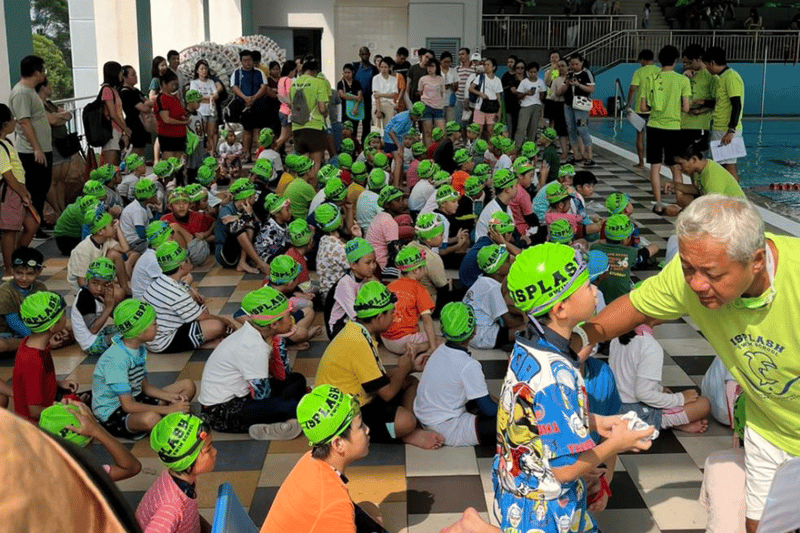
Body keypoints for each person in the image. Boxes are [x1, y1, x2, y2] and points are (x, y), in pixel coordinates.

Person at [581, 195, 800, 533]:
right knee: (761, 526)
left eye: (712, 274)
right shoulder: (689, 277)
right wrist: (569, 346)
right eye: (687, 268)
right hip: (769, 428)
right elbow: (635, 307)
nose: (696, 284)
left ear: (756, 260)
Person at [494, 243, 654, 532]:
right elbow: (565, 470)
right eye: (587, 285)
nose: (594, 291)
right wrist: (615, 444)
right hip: (543, 511)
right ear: (561, 308)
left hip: (519, 486)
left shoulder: (527, 347)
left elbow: (536, 418)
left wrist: (597, 421)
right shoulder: (556, 375)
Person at [316, 281, 445, 449]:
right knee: (406, 421)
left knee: (411, 381)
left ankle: (406, 428)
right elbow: (387, 394)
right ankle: (406, 432)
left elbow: (375, 376)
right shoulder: (358, 342)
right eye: (392, 313)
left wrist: (410, 367)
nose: (394, 317)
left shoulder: (358, 330)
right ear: (379, 317)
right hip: (342, 413)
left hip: (358, 393)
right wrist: (403, 368)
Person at [261, 384, 387, 533]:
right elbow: (331, 504)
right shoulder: (334, 503)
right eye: (360, 426)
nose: (367, 430)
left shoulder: (309, 459)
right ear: (338, 444)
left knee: (372, 514)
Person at [199, 286, 306, 440]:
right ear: (273, 324)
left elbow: (284, 375)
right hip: (221, 412)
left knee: (297, 380)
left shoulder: (256, 332)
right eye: (288, 315)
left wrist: (279, 340)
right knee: (290, 406)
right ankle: (275, 423)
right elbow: (262, 396)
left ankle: (280, 421)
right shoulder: (254, 347)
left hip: (244, 395)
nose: (292, 320)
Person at [91, 298, 196, 438]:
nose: (157, 326)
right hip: (113, 412)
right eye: (154, 324)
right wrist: (167, 409)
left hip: (135, 397)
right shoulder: (116, 360)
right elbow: (127, 406)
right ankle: (166, 418)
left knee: (188, 386)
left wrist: (171, 397)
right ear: (139, 332)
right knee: (151, 419)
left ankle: (168, 416)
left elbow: (145, 388)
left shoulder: (138, 349)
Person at [415, 301, 497, 447]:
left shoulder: (440, 350)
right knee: (507, 422)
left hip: (425, 415)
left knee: (484, 397)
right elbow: (489, 410)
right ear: (474, 331)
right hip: (446, 428)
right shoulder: (469, 366)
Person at [610, 322, 711, 433]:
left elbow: (627, 378)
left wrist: (659, 389)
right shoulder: (650, 345)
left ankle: (670, 421)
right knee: (703, 404)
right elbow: (642, 393)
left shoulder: (618, 335)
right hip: (635, 412)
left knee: (664, 393)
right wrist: (680, 398)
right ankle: (663, 423)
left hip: (614, 406)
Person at [144, 241, 235, 353]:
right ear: (182, 265)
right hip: (163, 342)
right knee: (217, 326)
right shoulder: (176, 292)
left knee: (201, 308)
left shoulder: (161, 281)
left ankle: (203, 341)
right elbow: (203, 317)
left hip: (154, 337)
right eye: (187, 259)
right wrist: (226, 321)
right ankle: (202, 344)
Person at [136, 413, 216, 533]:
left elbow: (189, 513)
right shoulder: (171, 507)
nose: (215, 452)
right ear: (188, 459)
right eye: (208, 450)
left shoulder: (176, 479)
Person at [640, 45, 691, 215]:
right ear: (675, 60)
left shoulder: (650, 79)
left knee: (655, 166)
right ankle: (680, 202)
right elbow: (685, 108)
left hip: (654, 126)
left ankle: (658, 202)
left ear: (659, 60)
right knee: (675, 167)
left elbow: (643, 107)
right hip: (674, 128)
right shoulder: (683, 80)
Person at [39, 400, 142, 482]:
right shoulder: (84, 475)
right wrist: (97, 430)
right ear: (90, 441)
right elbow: (132, 467)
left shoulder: (32, 472)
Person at [13, 291, 77, 421]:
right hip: (36, 424)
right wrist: (63, 409)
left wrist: (57, 383)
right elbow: (35, 411)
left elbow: (34, 382)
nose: (66, 315)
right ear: (53, 327)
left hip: (47, 402)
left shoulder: (31, 343)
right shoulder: (33, 361)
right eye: (63, 314)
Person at [9, 55, 51, 230]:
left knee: (42, 188)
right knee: (35, 189)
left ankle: (38, 222)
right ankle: (32, 226)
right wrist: (37, 149)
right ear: (36, 72)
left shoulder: (31, 90)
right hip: (30, 151)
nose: (44, 74)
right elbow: (24, 122)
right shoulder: (20, 92)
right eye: (43, 70)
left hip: (41, 148)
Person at [0, 105, 38, 277]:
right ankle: (9, 268)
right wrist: (22, 193)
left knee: (32, 224)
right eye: (12, 120)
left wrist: (23, 191)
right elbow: (8, 175)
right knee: (10, 230)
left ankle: (16, 257)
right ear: (5, 123)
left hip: (17, 190)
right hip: (9, 192)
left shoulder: (6, 142)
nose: (15, 122)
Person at [380, 246, 438, 357]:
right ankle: (417, 347)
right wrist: (433, 346)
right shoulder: (419, 288)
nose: (425, 270)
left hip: (386, 340)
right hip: (404, 342)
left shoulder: (391, 286)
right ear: (416, 270)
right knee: (440, 340)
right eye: (423, 267)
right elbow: (427, 320)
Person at [704, 46, 744, 181]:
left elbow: (736, 104)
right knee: (722, 165)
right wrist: (703, 103)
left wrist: (731, 130)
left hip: (726, 130)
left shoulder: (731, 77)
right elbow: (722, 103)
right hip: (720, 127)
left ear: (712, 63)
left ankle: (737, 198)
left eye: (707, 65)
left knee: (729, 166)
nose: (706, 68)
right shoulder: (723, 77)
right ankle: (728, 196)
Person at [0, 247, 47, 354]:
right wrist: (35, 337)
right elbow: (14, 322)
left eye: (30, 274)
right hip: (7, 333)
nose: (23, 278)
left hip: (32, 330)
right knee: (2, 345)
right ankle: (31, 343)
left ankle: (33, 342)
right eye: (19, 273)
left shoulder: (40, 287)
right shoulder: (5, 291)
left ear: (39, 272)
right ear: (11, 269)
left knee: (67, 325)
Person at [71, 257, 121, 357]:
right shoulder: (85, 297)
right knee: (129, 335)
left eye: (105, 285)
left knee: (127, 326)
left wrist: (110, 304)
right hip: (91, 344)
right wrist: (108, 308)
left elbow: (115, 316)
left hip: (99, 333)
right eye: (95, 283)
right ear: (87, 280)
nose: (99, 288)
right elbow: (93, 329)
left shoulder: (96, 294)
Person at [37, 77, 72, 217]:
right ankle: (56, 211)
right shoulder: (38, 104)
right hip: (51, 143)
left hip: (63, 143)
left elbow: (68, 115)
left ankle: (63, 209)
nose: (51, 87)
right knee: (53, 180)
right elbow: (51, 121)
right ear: (42, 87)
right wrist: (59, 117)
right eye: (49, 85)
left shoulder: (50, 103)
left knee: (62, 179)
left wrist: (58, 116)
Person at [672, 141, 746, 208]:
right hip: (723, 206)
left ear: (693, 160)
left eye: (681, 164)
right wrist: (675, 186)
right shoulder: (699, 170)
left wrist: (681, 213)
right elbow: (698, 189)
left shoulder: (712, 175)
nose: (679, 168)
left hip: (736, 212)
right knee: (684, 199)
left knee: (693, 208)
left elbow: (714, 206)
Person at [290, 60, 329, 178]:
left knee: (303, 162)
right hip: (314, 127)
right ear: (314, 71)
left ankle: (301, 185)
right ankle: (311, 188)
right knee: (316, 162)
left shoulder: (294, 84)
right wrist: (326, 114)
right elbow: (322, 109)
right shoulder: (319, 83)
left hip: (297, 127)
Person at [627, 49, 659, 168]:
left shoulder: (639, 72)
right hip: (655, 109)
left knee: (640, 136)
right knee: (653, 138)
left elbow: (632, 89)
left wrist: (628, 104)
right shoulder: (659, 71)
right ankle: (654, 163)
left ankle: (641, 162)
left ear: (642, 59)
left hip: (640, 109)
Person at [680, 44, 713, 159]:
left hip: (700, 125)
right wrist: (684, 78)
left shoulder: (710, 76)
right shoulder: (686, 75)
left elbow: (717, 102)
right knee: (683, 159)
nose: (685, 65)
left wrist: (700, 110)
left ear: (699, 59)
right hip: (683, 124)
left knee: (697, 159)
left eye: (689, 63)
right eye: (684, 63)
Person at [563, 53, 596, 166]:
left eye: (576, 64)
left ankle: (589, 156)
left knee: (582, 129)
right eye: (572, 64)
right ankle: (575, 155)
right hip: (568, 104)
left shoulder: (587, 73)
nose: (574, 66)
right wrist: (567, 84)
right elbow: (564, 89)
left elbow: (591, 89)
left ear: (582, 63)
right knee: (571, 129)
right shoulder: (569, 73)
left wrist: (578, 84)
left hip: (581, 104)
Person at [98, 61, 131, 166]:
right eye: (120, 72)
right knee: (110, 166)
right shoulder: (107, 90)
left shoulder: (114, 89)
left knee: (116, 164)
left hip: (117, 131)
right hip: (111, 132)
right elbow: (113, 113)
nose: (122, 75)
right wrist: (126, 128)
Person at [154, 69, 189, 162]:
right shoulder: (161, 98)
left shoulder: (174, 98)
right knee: (169, 163)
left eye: (176, 85)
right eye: (172, 84)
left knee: (178, 163)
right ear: (164, 83)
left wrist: (184, 117)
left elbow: (180, 113)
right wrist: (183, 122)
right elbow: (166, 119)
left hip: (180, 135)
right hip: (168, 136)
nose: (174, 87)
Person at [190, 59, 223, 156]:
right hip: (201, 111)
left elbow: (216, 95)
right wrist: (210, 97)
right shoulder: (194, 83)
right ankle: (198, 153)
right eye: (202, 69)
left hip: (211, 111)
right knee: (200, 134)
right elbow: (197, 97)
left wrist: (209, 97)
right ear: (197, 71)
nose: (204, 71)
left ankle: (212, 152)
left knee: (211, 134)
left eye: (205, 69)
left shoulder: (211, 82)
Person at [120, 65, 154, 158]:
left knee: (141, 151)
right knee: (136, 152)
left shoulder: (136, 91)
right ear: (125, 77)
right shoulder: (125, 92)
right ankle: (131, 170)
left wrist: (147, 104)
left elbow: (148, 102)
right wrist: (147, 104)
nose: (136, 76)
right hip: (134, 125)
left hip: (141, 124)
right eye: (133, 74)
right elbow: (145, 108)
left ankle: (137, 169)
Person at [469, 58, 504, 138]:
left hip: (492, 107)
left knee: (490, 131)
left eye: (488, 65)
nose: (486, 66)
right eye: (485, 65)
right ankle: (476, 146)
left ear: (494, 67)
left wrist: (499, 110)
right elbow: (471, 88)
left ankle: (489, 148)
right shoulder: (480, 77)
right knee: (478, 130)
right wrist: (480, 94)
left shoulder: (497, 80)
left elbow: (498, 96)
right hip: (480, 106)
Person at [514, 62, 546, 148]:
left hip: (537, 105)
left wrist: (541, 94)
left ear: (537, 72)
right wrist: (526, 93)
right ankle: (517, 147)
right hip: (526, 106)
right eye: (531, 72)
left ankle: (529, 147)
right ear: (528, 72)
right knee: (521, 128)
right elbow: (518, 96)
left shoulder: (541, 82)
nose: (533, 74)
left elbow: (542, 96)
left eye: (535, 72)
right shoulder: (524, 82)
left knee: (533, 129)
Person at [353, 47, 379, 144]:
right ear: (359, 55)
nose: (364, 56)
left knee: (366, 124)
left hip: (368, 99)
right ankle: (354, 146)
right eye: (362, 54)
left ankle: (365, 145)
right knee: (354, 124)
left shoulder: (374, 69)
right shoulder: (354, 66)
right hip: (355, 99)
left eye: (366, 54)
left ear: (369, 54)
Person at [372, 57, 399, 132]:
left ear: (389, 68)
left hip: (389, 104)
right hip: (377, 104)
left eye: (385, 67)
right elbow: (376, 96)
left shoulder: (393, 79)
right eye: (381, 67)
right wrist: (378, 110)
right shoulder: (376, 78)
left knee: (388, 128)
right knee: (377, 130)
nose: (383, 69)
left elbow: (393, 95)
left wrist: (380, 94)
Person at [276, 60, 297, 152]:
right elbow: (289, 95)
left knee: (285, 136)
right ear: (291, 70)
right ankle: (270, 150)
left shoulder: (281, 80)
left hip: (282, 110)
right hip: (287, 111)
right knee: (284, 137)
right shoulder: (288, 80)